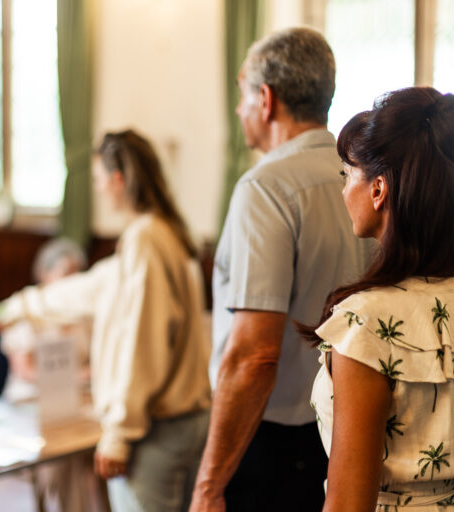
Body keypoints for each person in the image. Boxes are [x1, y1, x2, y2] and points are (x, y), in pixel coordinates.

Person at [306, 87, 454, 511]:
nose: (342, 191)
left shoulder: (364, 325)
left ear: (378, 189)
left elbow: (349, 504)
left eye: (346, 175)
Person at [191, 28, 374, 512]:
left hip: (270, 441)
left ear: (265, 99)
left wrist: (208, 486)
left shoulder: (265, 187)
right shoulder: (365, 178)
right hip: (350, 432)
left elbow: (254, 357)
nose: (238, 110)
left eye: (241, 94)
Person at [0, 129, 211, 512]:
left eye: (97, 180)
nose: (97, 190)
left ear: (117, 180)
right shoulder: (170, 233)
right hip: (186, 421)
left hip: (155, 430)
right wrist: (14, 308)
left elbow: (140, 345)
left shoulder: (144, 239)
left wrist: (118, 434)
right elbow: (92, 288)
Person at [0, 237, 102, 512]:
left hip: (73, 400)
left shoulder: (83, 315)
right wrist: (78, 376)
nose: (74, 282)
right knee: (67, 448)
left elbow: (96, 359)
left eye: (78, 274)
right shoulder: (25, 308)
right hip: (29, 402)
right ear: (44, 273)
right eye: (66, 273)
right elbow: (25, 370)